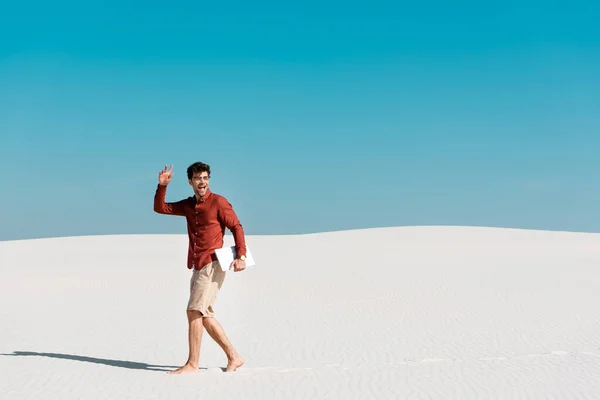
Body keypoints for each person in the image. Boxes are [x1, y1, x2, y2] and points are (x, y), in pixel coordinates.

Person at [153, 161, 246, 374]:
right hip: (197, 266)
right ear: (190, 181)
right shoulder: (188, 205)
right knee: (203, 314)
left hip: (213, 263)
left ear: (208, 179)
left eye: (205, 177)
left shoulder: (219, 202)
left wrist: (241, 255)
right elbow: (161, 208)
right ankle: (234, 356)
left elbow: (236, 226)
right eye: (197, 178)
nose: (202, 182)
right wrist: (162, 186)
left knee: (194, 310)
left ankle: (192, 364)